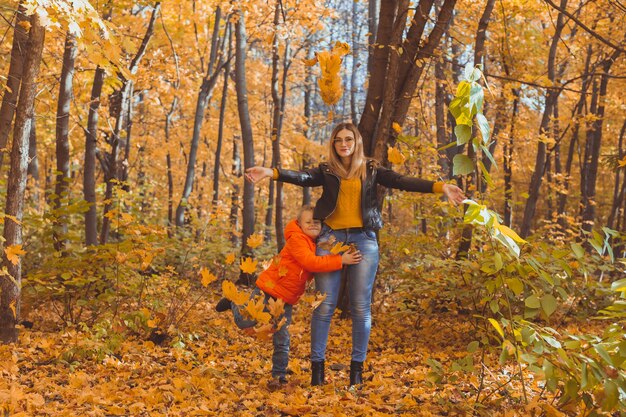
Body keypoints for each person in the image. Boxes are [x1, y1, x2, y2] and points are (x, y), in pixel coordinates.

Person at [245, 122, 465, 387]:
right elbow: (302, 177)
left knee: (361, 308)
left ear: (357, 141)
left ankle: (356, 373)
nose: (343, 144)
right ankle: (318, 372)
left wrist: (440, 187)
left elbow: (400, 181)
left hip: (364, 239)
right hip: (330, 239)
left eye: (348, 139)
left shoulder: (371, 169)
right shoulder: (326, 171)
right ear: (333, 144)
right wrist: (271, 172)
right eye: (338, 140)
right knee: (324, 306)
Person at [215, 205, 361, 386]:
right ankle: (232, 302)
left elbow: (320, 262)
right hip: (268, 290)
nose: (313, 225)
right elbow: (311, 263)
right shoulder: (297, 240)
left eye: (316, 222)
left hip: (286, 300)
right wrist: (341, 260)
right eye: (308, 222)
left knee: (282, 337)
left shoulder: (316, 243)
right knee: (245, 322)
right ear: (299, 224)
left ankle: (279, 376)